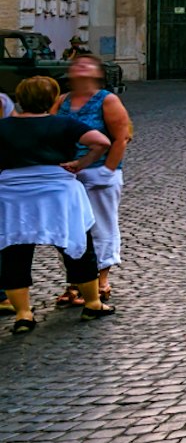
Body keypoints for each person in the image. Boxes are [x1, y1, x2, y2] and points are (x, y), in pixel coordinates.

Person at [2, 76, 114, 332]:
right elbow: (102, 142)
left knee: (13, 253)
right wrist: (81, 164)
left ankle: (23, 315)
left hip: (14, 195)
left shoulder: (3, 126)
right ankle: (92, 303)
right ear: (52, 99)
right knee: (78, 247)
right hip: (58, 192)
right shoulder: (64, 123)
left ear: (20, 98)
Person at [52, 53, 132, 306]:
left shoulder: (107, 100)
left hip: (99, 171)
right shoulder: (62, 101)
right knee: (70, 229)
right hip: (66, 174)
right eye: (77, 63)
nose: (81, 65)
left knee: (101, 225)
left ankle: (102, 280)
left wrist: (108, 171)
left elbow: (122, 137)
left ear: (98, 73)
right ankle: (75, 282)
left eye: (88, 63)